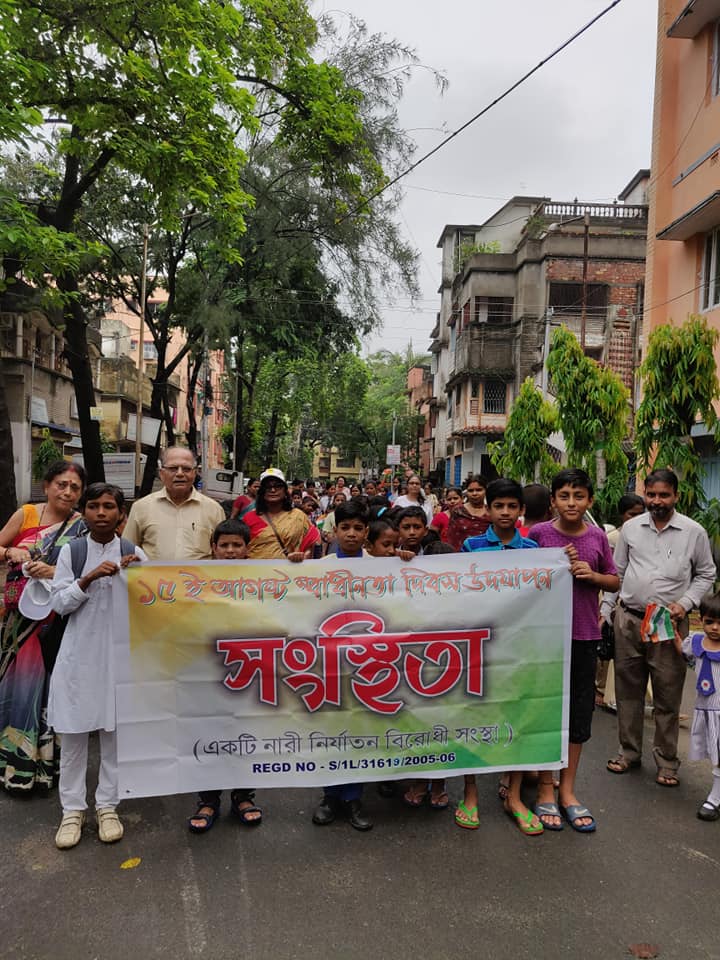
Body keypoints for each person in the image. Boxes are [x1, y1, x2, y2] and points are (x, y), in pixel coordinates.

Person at [49, 483, 146, 849]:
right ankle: (72, 811)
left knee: (115, 737)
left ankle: (108, 806)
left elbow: (153, 603)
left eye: (109, 506)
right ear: (84, 511)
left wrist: (134, 577)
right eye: (94, 506)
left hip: (120, 658)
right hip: (79, 657)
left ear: (121, 514)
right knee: (73, 735)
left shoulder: (133, 551)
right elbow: (59, 605)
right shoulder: (71, 552)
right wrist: (87, 579)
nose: (101, 513)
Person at [606, 468, 715, 787]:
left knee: (667, 695)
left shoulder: (693, 532)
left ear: (676, 496)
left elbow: (706, 573)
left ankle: (667, 761)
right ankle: (629, 752)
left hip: (668, 623)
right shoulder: (630, 528)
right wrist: (606, 610)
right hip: (629, 619)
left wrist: (687, 602)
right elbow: (618, 571)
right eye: (651, 495)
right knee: (628, 691)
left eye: (663, 495)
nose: (656, 501)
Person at [530, 469, 619, 832]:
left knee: (578, 717)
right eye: (564, 495)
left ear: (590, 501)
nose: (571, 502)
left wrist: (592, 576)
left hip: (583, 637)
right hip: (543, 638)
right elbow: (518, 579)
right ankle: (545, 790)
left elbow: (614, 579)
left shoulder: (598, 537)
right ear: (553, 500)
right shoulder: (538, 535)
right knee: (546, 713)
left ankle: (568, 791)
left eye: (578, 496)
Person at [456, 479, 543, 834]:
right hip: (479, 647)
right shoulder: (471, 546)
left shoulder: (535, 549)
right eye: (499, 506)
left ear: (521, 510)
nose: (505, 513)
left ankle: (515, 796)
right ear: (488, 509)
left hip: (519, 649)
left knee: (518, 715)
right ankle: (470, 793)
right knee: (472, 716)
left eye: (512, 506)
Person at [0, 460, 87, 793]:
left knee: (53, 688)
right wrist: (12, 551)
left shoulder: (83, 525)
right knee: (19, 686)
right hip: (20, 621)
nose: (67, 492)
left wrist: (55, 573)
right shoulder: (27, 515)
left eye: (74, 487)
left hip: (59, 621)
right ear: (47, 485)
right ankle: (15, 762)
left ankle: (48, 766)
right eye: (61, 484)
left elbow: (90, 571)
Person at [188, 518, 263, 833]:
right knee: (208, 733)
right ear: (213, 548)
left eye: (237, 546)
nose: (230, 551)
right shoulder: (193, 580)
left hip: (247, 671)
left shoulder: (264, 579)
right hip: (206, 670)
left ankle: (244, 796)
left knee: (245, 733)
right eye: (224, 546)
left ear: (247, 550)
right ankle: (207, 799)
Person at [310, 499, 373, 831]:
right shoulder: (320, 566)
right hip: (330, 663)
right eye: (344, 528)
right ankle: (330, 795)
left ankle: (354, 797)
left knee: (359, 729)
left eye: (358, 529)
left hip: (369, 665)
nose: (351, 534)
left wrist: (405, 561)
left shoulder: (382, 565)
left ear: (367, 533)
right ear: (334, 530)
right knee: (331, 728)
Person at [124, 446, 224, 561]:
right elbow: (128, 550)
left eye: (186, 469)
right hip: (155, 578)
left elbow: (221, 553)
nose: (180, 474)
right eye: (173, 468)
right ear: (161, 473)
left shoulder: (214, 509)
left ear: (194, 473)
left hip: (199, 578)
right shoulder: (141, 507)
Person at [596, 493, 646, 710]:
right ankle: (605, 693)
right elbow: (616, 570)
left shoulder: (644, 534)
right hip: (616, 597)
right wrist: (607, 605)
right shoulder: (615, 537)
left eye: (639, 514)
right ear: (622, 515)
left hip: (638, 603)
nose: (636, 518)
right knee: (612, 650)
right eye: (631, 514)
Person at [673, 592, 720, 821]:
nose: (715, 628)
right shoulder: (697, 641)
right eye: (710, 621)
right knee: (714, 754)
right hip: (706, 710)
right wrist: (675, 639)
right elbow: (686, 654)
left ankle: (715, 798)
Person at [243, 469, 320, 561]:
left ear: (285, 490)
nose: (272, 490)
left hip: (289, 573)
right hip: (256, 573)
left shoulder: (298, 516)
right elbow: (240, 549)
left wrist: (302, 556)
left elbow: (311, 544)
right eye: (267, 487)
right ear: (262, 492)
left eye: (277, 486)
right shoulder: (249, 518)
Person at [446, 475, 490, 551]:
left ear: (485, 491)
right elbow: (451, 538)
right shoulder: (458, 511)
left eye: (479, 490)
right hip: (461, 556)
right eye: (471, 490)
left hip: (486, 554)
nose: (474, 493)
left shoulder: (491, 512)